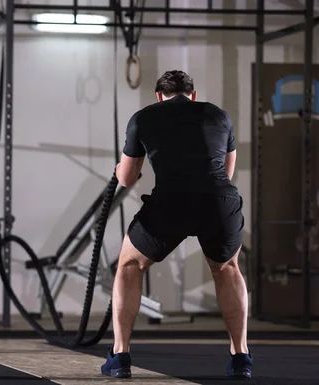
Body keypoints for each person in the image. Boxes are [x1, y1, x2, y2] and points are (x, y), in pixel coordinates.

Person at [100, 70, 253, 379]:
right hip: (218, 202)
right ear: (192, 94)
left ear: (159, 96)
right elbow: (228, 171)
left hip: (171, 202)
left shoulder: (143, 118)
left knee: (129, 264)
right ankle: (241, 359)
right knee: (227, 270)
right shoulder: (218, 115)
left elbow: (127, 179)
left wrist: (119, 168)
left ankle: (119, 356)